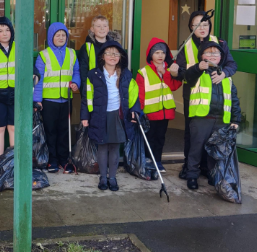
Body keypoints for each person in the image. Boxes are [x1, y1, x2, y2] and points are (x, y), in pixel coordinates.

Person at [169, 11, 237, 179]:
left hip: (215, 95)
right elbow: (180, 72)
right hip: (192, 94)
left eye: (205, 24)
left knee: (213, 134)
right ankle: (190, 167)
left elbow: (231, 64)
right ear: (191, 27)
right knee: (192, 134)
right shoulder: (186, 45)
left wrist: (224, 73)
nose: (202, 28)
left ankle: (208, 168)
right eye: (197, 25)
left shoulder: (219, 43)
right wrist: (178, 72)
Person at [80, 41, 142, 191]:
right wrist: (85, 116)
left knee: (114, 147)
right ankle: (103, 177)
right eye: (109, 53)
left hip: (118, 116)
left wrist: (135, 109)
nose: (112, 56)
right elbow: (87, 97)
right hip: (100, 115)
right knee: (102, 147)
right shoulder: (93, 74)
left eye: (116, 53)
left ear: (120, 57)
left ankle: (112, 178)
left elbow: (133, 95)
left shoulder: (126, 74)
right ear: (102, 56)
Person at [0, 17, 40, 159]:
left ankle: (12, 162)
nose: (4, 33)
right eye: (0, 31)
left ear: (12, 31)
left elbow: (33, 72)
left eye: (7, 30)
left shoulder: (20, 48)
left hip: (15, 95)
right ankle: (1, 162)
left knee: (13, 128)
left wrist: (33, 80)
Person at [183, 41, 241, 190]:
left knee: (215, 152)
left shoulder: (226, 76)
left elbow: (234, 99)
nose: (212, 55)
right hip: (201, 119)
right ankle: (192, 176)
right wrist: (197, 68)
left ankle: (213, 175)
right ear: (202, 56)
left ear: (221, 57)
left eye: (215, 53)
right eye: (208, 52)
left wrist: (235, 120)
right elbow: (187, 77)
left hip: (221, 120)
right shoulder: (198, 73)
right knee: (196, 149)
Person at [33, 22, 80, 173]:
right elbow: (38, 80)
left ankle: (64, 160)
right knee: (50, 131)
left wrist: (76, 83)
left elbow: (77, 72)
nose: (61, 38)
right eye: (57, 35)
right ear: (50, 37)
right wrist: (37, 100)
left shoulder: (72, 54)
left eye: (63, 35)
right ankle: (52, 160)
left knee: (64, 131)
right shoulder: (43, 55)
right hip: (49, 101)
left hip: (66, 99)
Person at [136, 38, 182, 173]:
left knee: (160, 138)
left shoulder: (169, 70)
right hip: (150, 113)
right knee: (149, 138)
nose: (160, 55)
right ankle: (147, 161)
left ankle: (158, 161)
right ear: (151, 54)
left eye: (163, 52)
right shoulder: (143, 72)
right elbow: (141, 93)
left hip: (165, 113)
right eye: (157, 53)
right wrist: (139, 111)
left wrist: (166, 74)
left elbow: (174, 86)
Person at [78, 15, 121, 98]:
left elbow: (121, 66)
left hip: (112, 88)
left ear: (108, 29)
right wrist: (84, 92)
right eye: (98, 26)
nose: (102, 28)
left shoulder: (116, 46)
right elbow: (83, 71)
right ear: (92, 29)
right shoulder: (87, 48)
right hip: (94, 88)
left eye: (105, 26)